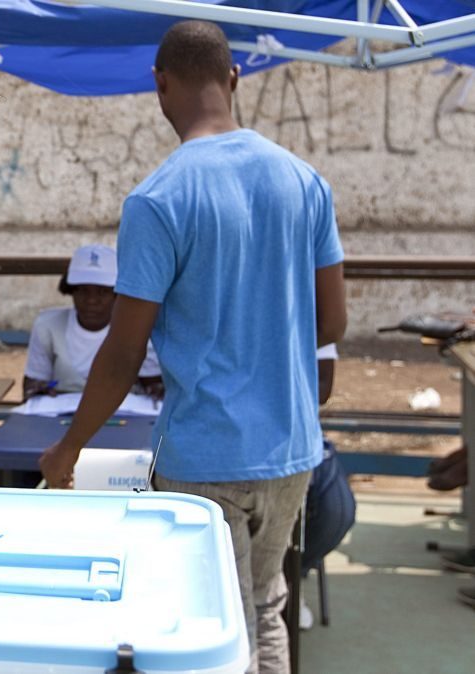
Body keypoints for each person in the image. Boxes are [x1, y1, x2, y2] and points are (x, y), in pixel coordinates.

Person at [39, 21, 346, 674]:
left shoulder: (157, 199)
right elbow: (331, 323)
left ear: (159, 85)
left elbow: (123, 352)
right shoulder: (303, 181)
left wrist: (69, 446)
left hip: (203, 454)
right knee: (264, 608)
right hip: (290, 451)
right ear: (232, 79)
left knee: (214, 626)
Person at [23, 244, 161, 399]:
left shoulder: (137, 330)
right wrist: (40, 389)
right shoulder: (48, 326)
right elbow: (32, 386)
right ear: (71, 290)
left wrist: (155, 388)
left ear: (118, 295)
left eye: (103, 292)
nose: (91, 300)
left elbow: (154, 385)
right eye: (82, 290)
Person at [299, 344, 356, 630]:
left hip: (291, 440)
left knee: (338, 510)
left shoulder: (301, 305)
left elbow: (323, 387)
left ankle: (291, 576)